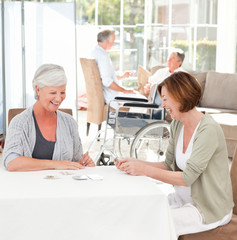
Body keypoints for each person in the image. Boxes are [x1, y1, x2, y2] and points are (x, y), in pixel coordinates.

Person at [115, 72, 234, 238]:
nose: (162, 105)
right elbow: (168, 164)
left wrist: (143, 170)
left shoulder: (208, 130)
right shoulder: (178, 125)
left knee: (154, 222)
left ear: (180, 96)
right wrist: (134, 162)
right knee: (140, 210)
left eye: (165, 99)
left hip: (208, 208)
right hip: (182, 200)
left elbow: (187, 178)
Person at [3, 64, 95, 171]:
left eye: (62, 92)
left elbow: (76, 161)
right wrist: (55, 164)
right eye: (53, 92)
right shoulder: (20, 122)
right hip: (29, 186)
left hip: (63, 186)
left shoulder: (70, 123)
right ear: (38, 89)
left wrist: (84, 163)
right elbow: (11, 161)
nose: (59, 98)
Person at [91, 29, 136, 108]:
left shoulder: (95, 52)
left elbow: (104, 76)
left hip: (110, 95)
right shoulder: (103, 56)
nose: (114, 43)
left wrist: (122, 77)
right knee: (141, 99)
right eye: (113, 40)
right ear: (108, 41)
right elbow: (107, 81)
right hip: (113, 98)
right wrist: (124, 90)